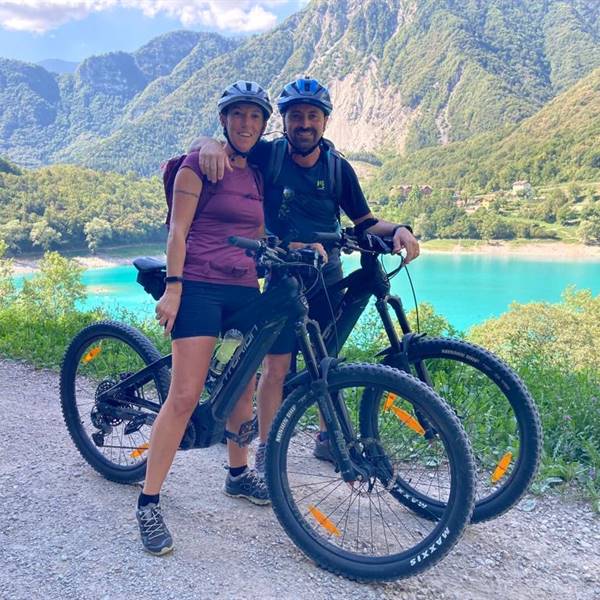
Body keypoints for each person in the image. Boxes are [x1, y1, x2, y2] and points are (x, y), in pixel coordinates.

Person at [190, 77, 420, 471]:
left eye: (313, 116)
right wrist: (207, 143)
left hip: (326, 277)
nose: (305, 123)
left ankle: (327, 437)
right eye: (296, 116)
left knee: (326, 357)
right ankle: (267, 450)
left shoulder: (338, 169)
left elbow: (365, 222)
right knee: (277, 367)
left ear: (325, 122)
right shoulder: (269, 155)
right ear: (284, 120)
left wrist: (398, 229)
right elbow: (221, 146)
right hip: (282, 277)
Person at [136, 81, 273, 556]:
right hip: (198, 287)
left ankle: (237, 474)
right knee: (185, 394)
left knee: (242, 385)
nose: (247, 124)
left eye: (255, 117)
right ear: (223, 119)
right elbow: (178, 231)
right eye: (238, 115)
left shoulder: (255, 175)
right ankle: (148, 501)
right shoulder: (199, 164)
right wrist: (174, 288)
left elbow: (257, 232)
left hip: (243, 289)